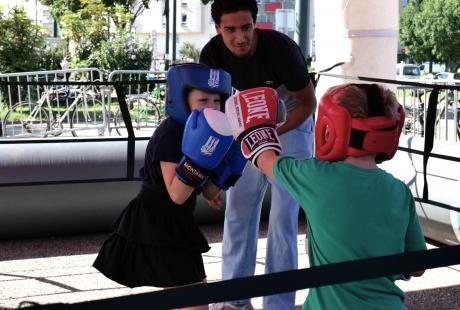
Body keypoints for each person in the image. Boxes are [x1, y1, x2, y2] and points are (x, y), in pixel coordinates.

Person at [225, 85, 427, 310]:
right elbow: (417, 266)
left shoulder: (316, 176)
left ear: (335, 127)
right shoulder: (400, 191)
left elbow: (265, 160)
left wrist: (253, 124)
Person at [93, 63, 247, 310]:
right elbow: (177, 193)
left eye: (217, 101)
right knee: (194, 304)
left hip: (178, 223)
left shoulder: (212, 134)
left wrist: (226, 172)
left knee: (193, 301)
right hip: (157, 223)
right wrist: (200, 159)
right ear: (181, 99)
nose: (212, 108)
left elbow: (206, 191)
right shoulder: (171, 133)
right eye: (203, 100)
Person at [200, 1, 316, 309]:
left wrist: (271, 133)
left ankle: (278, 304)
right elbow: (212, 112)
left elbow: (307, 102)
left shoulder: (282, 49)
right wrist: (213, 171)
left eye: (246, 27)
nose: (240, 37)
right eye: (230, 30)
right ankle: (235, 301)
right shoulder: (211, 54)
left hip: (290, 120)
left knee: (283, 220)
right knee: (238, 210)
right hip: (246, 121)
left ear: (256, 23)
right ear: (218, 29)